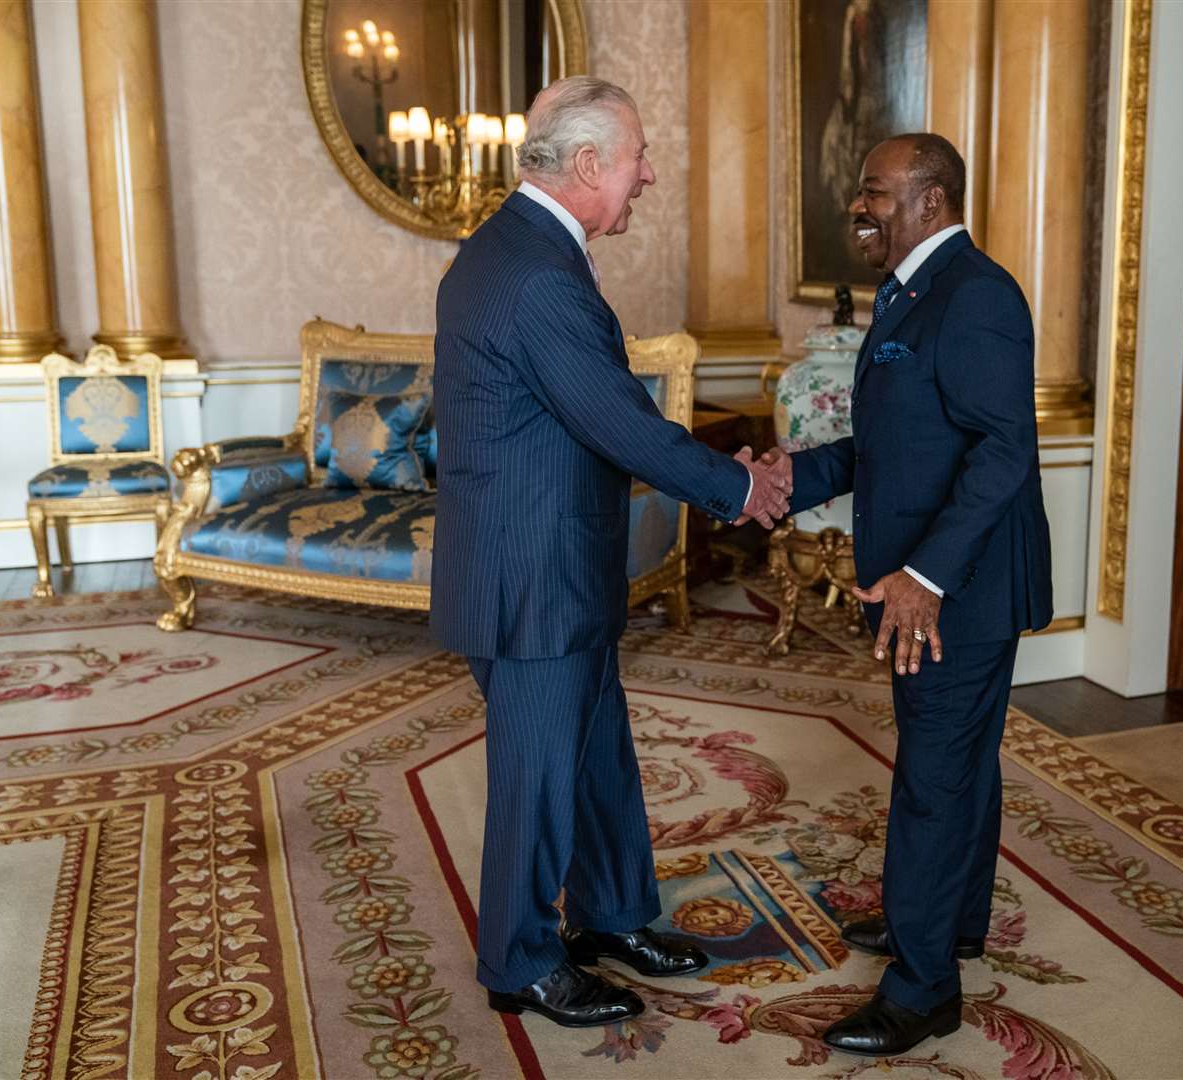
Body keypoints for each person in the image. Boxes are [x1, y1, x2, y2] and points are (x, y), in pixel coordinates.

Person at [431, 76, 793, 1029]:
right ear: (589, 164)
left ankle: (614, 915)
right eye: (639, 157)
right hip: (530, 579)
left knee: (596, 755)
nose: (651, 174)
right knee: (540, 774)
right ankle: (520, 962)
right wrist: (742, 487)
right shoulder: (538, 274)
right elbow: (618, 423)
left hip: (551, 566)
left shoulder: (521, 247)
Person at [773, 133, 1053, 1057]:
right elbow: (885, 449)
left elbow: (1004, 449)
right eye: (861, 193)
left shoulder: (975, 298)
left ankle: (923, 986)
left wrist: (926, 577)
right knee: (960, 762)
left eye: (875, 194)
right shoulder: (909, 294)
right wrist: (785, 476)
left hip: (955, 590)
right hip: (924, 582)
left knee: (934, 777)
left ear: (931, 201)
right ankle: (949, 927)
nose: (860, 208)